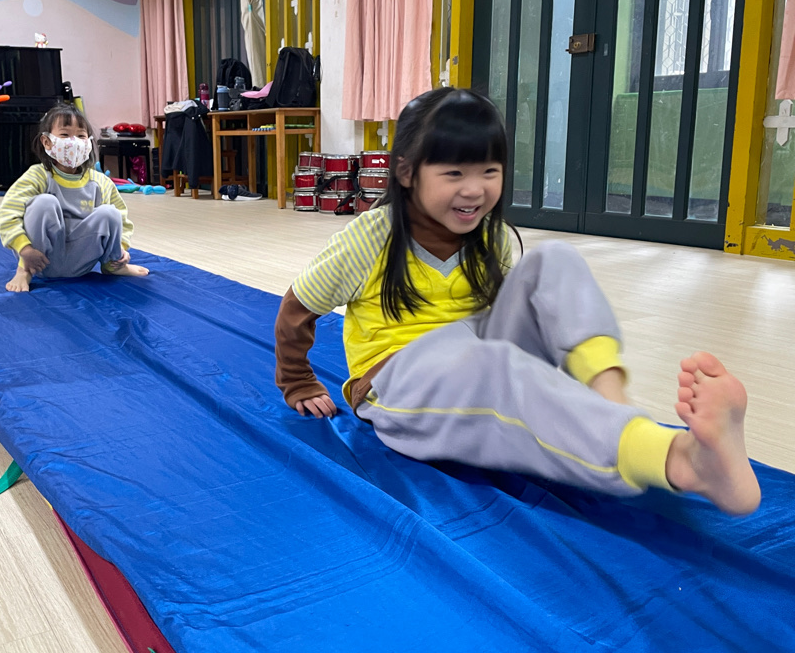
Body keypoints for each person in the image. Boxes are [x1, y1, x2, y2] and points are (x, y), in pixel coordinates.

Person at [274, 87, 760, 516]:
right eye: (453, 173)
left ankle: (612, 408)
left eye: (489, 171)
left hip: (474, 352)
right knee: (493, 365)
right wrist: (297, 381)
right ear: (405, 173)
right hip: (398, 382)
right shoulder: (371, 238)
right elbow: (299, 305)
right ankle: (680, 460)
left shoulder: (493, 237)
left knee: (556, 261)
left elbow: (520, 316)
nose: (475, 189)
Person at [0, 104, 149, 293]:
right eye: (65, 135)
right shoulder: (38, 175)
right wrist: (24, 250)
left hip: (81, 262)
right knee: (44, 203)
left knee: (109, 212)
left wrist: (121, 248)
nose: (73, 142)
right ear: (47, 142)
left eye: (81, 136)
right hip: (39, 262)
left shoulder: (99, 181)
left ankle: (113, 265)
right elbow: (7, 213)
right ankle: (24, 271)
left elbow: (121, 220)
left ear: (89, 142)